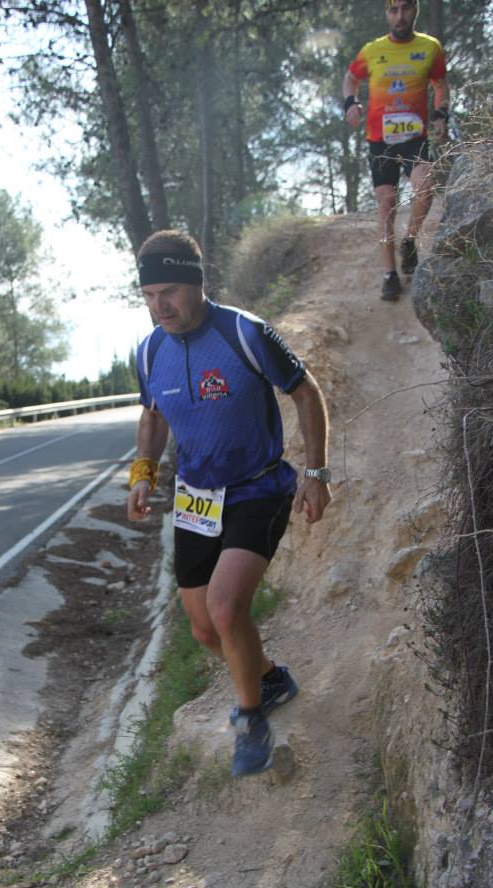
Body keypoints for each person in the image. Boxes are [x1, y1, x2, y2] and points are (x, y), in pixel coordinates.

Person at [126, 229, 331, 777]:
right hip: (196, 496)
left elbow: (305, 391)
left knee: (225, 607)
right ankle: (268, 679)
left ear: (197, 284)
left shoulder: (244, 332)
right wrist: (143, 472)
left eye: (168, 291)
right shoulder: (148, 351)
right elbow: (152, 414)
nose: (158, 306)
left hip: (259, 488)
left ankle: (250, 718)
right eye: (148, 296)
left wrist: (316, 473)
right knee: (202, 629)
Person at [343, 0, 450, 301]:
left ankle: (410, 240)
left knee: (425, 188)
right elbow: (350, 79)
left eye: (405, 8)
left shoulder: (430, 48)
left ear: (415, 9)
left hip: (415, 136)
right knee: (386, 203)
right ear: (386, 14)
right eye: (393, 10)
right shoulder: (372, 50)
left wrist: (441, 113)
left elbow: (441, 84)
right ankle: (390, 274)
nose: (399, 16)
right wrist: (350, 103)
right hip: (380, 139)